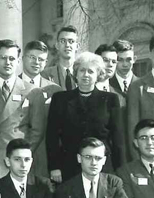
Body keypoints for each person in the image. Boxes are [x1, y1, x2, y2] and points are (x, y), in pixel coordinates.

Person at [46, 51, 126, 184]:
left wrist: (120, 170)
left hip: (101, 165)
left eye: (91, 71)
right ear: (75, 74)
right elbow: (52, 136)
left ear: (98, 75)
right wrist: (54, 167)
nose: (86, 75)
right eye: (82, 70)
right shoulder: (60, 99)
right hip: (70, 166)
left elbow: (118, 138)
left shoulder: (110, 99)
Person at [0, 40, 44, 179]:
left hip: (19, 161)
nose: (7, 62)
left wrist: (21, 153)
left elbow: (37, 131)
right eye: (3, 58)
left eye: (12, 58)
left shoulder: (32, 91)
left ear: (18, 61)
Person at [20, 39, 58, 179]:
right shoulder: (11, 87)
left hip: (44, 156)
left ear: (46, 62)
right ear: (23, 58)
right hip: (17, 155)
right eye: (32, 57)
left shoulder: (55, 90)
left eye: (41, 59)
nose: (36, 62)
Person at [43, 25, 80, 90]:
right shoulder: (45, 75)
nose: (67, 45)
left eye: (71, 41)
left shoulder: (84, 73)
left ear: (77, 46)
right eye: (63, 41)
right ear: (57, 45)